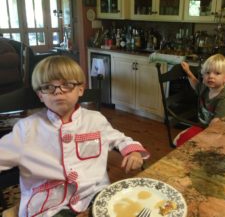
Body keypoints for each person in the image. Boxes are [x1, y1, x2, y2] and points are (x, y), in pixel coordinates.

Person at [0, 55, 149, 217]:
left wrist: (132, 151)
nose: (58, 92)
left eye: (67, 85)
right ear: (40, 95)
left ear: (80, 89)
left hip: (94, 194)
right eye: (48, 87)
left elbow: (120, 139)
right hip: (50, 205)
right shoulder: (26, 129)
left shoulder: (95, 120)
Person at [173, 53, 225, 147]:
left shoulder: (224, 99)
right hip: (203, 127)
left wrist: (203, 137)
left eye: (217, 73)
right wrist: (188, 71)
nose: (211, 76)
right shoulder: (206, 88)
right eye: (207, 72)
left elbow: (216, 123)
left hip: (220, 132)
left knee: (187, 144)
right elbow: (196, 85)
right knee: (178, 140)